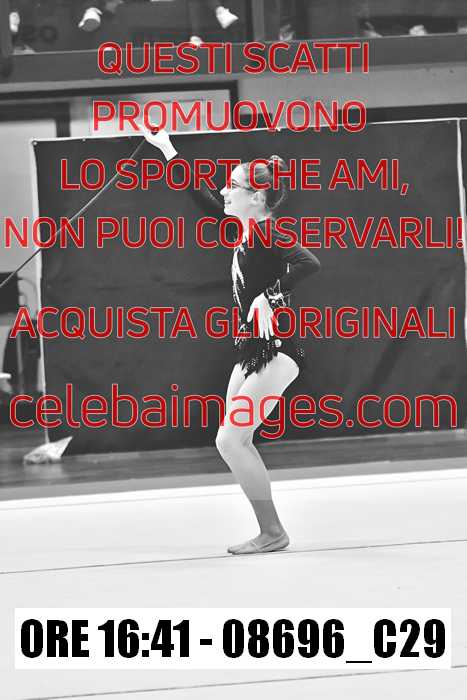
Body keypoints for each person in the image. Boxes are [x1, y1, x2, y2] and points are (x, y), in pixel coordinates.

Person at [140, 125, 321, 555]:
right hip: (254, 349)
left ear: (256, 198)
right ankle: (271, 530)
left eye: (232, 186)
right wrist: (167, 149)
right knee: (233, 440)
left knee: (231, 440)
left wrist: (269, 295)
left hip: (277, 349)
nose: (223, 190)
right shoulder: (247, 231)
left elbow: (309, 262)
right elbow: (203, 199)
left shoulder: (268, 231)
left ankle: (272, 532)